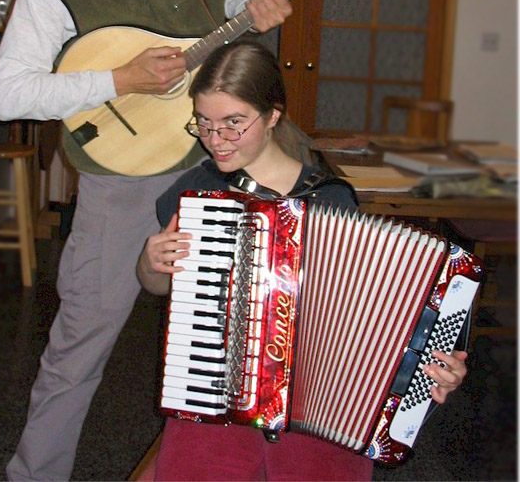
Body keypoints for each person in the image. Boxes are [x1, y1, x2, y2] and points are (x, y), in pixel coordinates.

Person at [0, 0, 292, 481]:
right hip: (123, 175)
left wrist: (255, 3)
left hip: (228, 154)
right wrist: (117, 78)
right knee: (79, 346)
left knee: (257, 330)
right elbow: (9, 93)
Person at [137, 40, 468, 481]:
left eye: (233, 123)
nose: (216, 140)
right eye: (204, 124)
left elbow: (375, 312)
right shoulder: (196, 191)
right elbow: (158, 286)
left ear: (273, 115)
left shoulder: (330, 199)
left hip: (319, 403)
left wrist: (431, 370)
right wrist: (149, 261)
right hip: (213, 387)